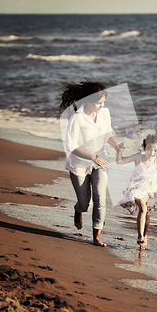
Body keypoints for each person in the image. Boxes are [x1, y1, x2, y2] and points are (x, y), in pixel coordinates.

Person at [59, 80, 120, 247]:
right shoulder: (76, 118)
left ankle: (96, 236)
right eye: (98, 103)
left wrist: (116, 146)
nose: (101, 106)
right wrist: (92, 157)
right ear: (87, 100)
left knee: (100, 199)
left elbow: (107, 133)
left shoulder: (104, 113)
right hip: (79, 163)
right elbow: (71, 147)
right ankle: (78, 209)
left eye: (103, 102)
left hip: (101, 161)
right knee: (85, 203)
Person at [116, 134, 157, 250]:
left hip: (150, 192)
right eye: (149, 149)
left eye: (155, 150)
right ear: (144, 148)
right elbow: (119, 161)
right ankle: (140, 236)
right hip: (136, 189)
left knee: (147, 215)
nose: (152, 152)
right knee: (142, 208)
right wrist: (120, 150)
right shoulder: (138, 157)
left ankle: (145, 235)